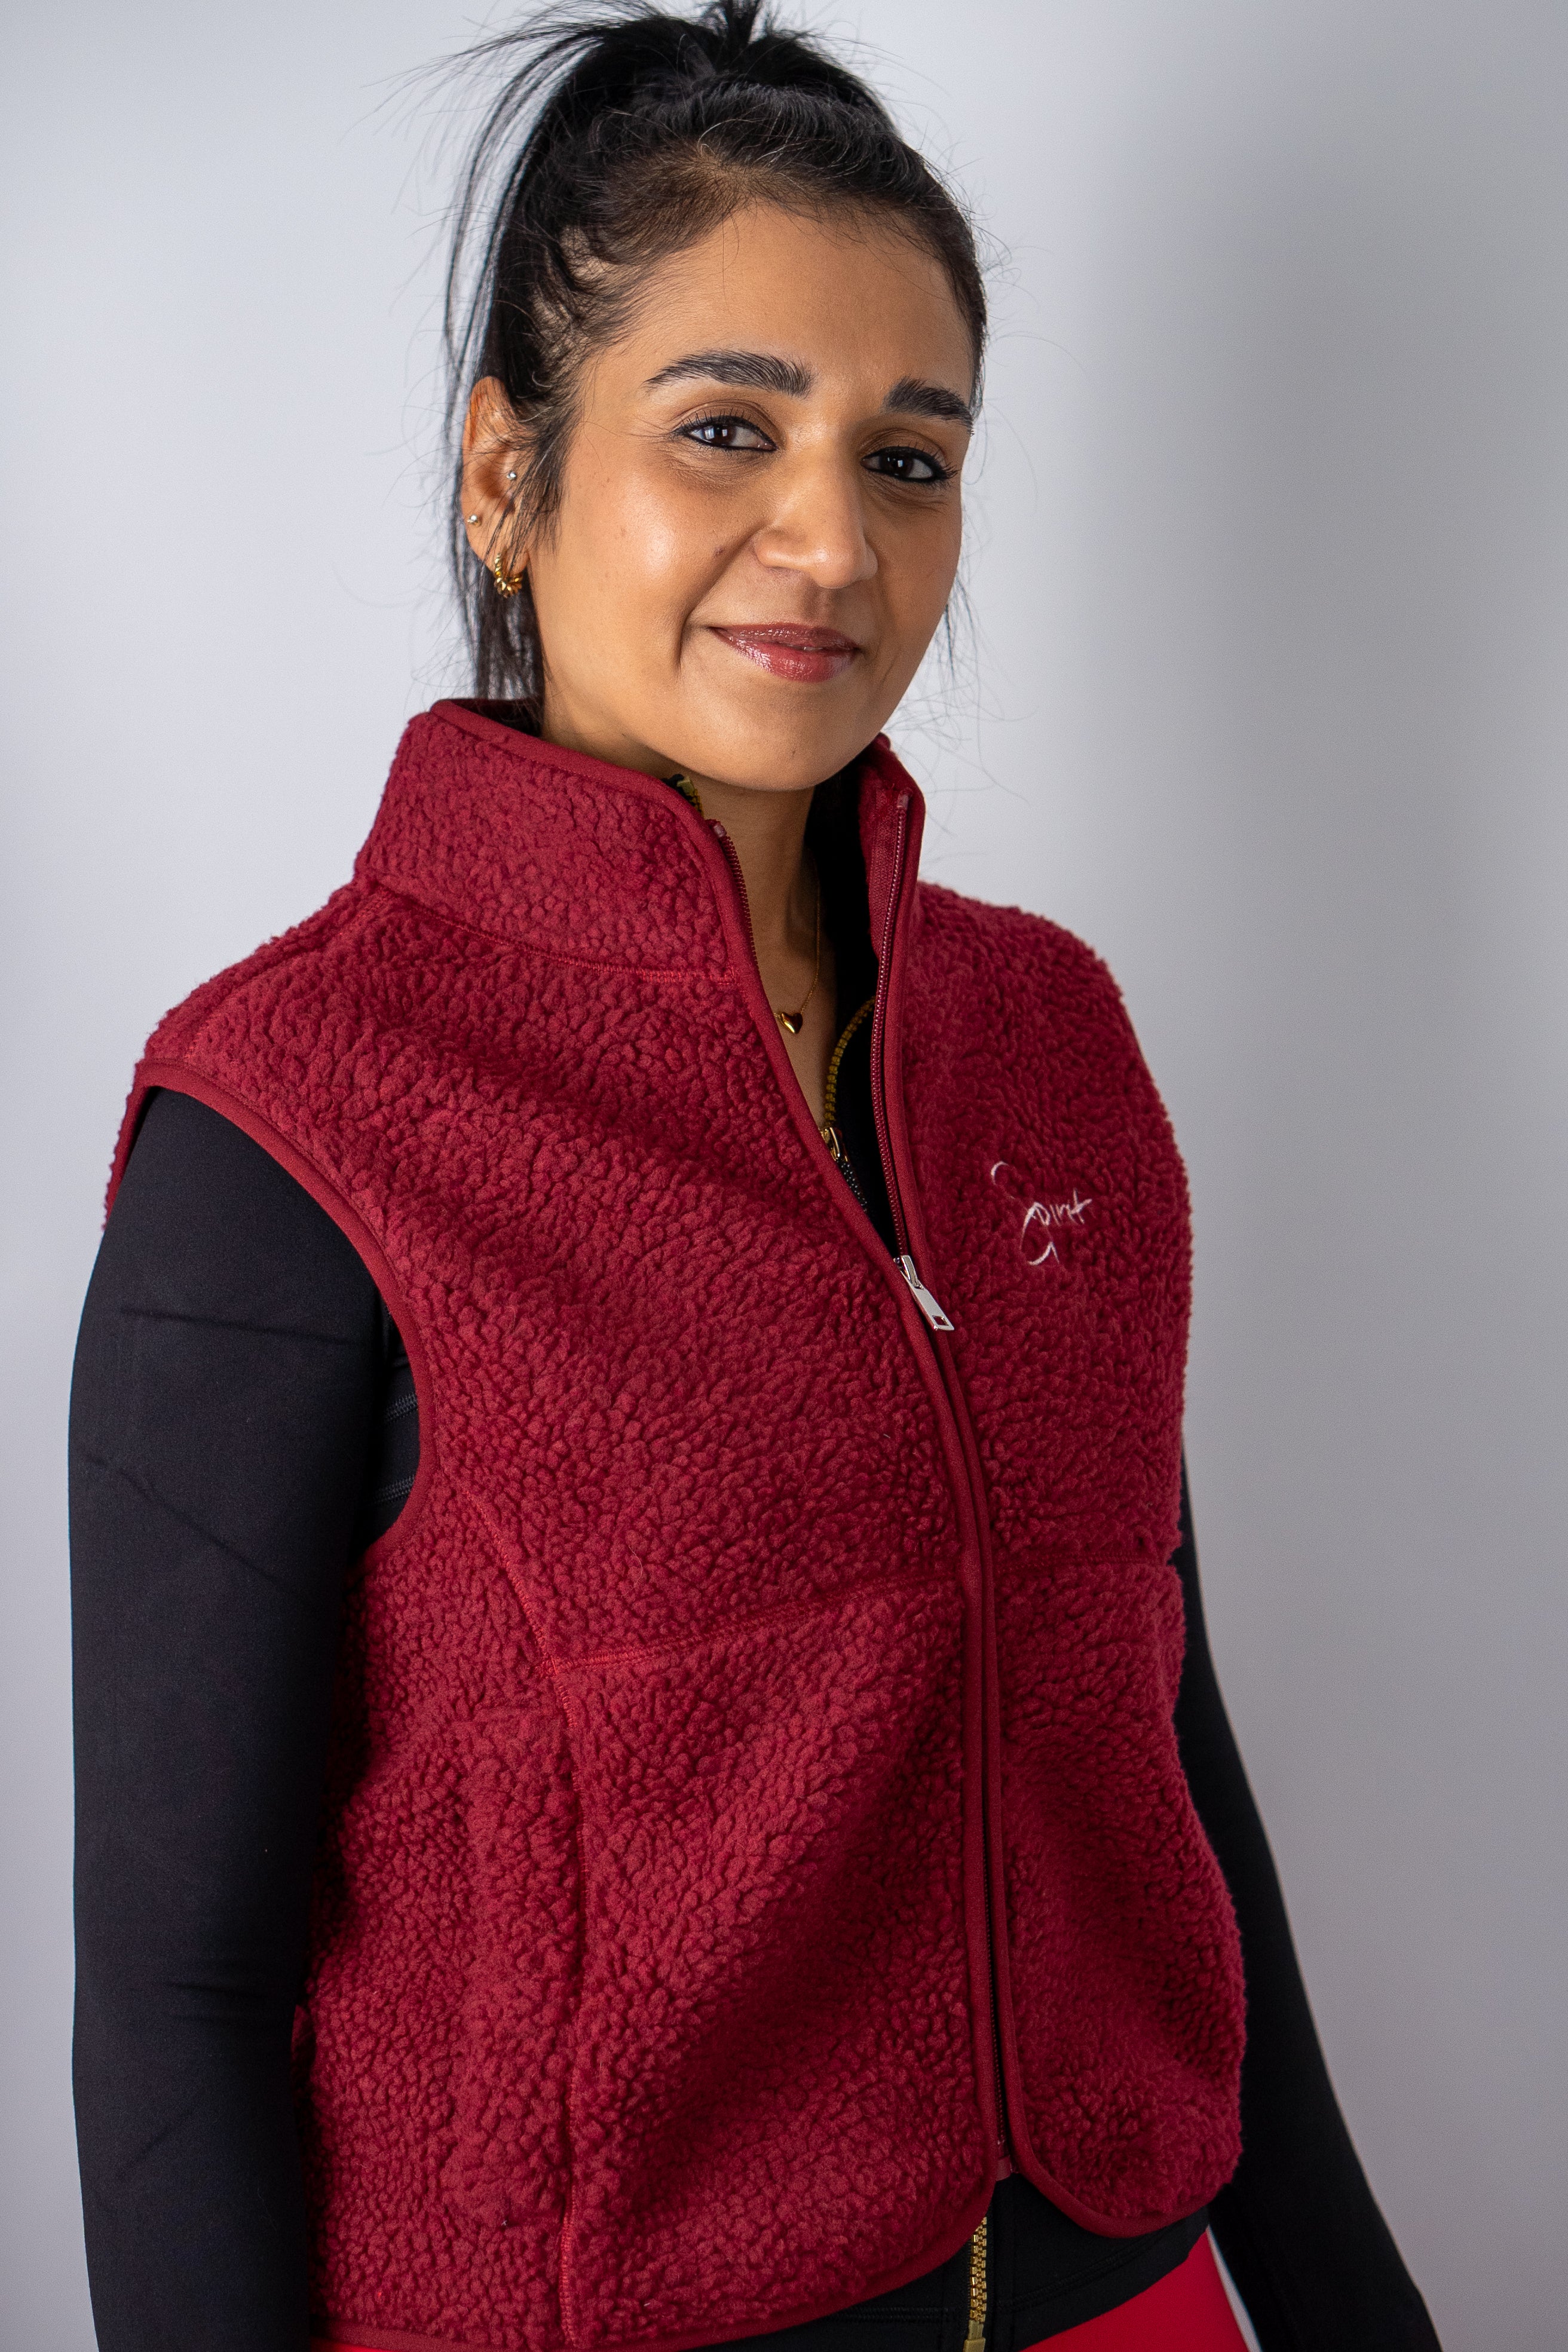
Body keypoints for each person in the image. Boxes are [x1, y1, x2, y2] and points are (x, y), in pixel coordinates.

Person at [68, 7, 1443, 2350]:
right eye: (726, 428)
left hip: (1132, 2303)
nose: (831, 539)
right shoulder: (292, 1120)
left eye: (909, 457)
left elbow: (1154, 1737)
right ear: (504, 471)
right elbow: (180, 1999)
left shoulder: (1044, 1042)